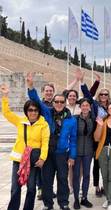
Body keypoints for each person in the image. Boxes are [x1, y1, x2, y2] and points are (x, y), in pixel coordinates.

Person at [27, 73, 77, 210]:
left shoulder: (71, 119)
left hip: (62, 154)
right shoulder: (47, 113)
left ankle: (64, 203)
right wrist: (31, 86)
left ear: (65, 102)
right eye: (57, 102)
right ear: (53, 103)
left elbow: (73, 140)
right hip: (48, 153)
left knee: (62, 179)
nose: (59, 104)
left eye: (62, 102)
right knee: (46, 181)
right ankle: (48, 204)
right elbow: (36, 100)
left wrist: (72, 156)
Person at [1, 84, 50, 210]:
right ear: (26, 111)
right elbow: (6, 113)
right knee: (15, 189)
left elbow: (45, 142)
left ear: (38, 111)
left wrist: (43, 158)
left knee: (31, 188)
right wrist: (5, 96)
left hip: (33, 161)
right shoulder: (20, 121)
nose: (33, 112)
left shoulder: (43, 125)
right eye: (30, 110)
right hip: (19, 160)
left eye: (35, 110)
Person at [72, 98, 95, 209]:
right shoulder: (75, 119)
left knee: (86, 174)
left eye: (87, 105)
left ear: (89, 107)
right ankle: (76, 198)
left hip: (88, 150)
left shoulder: (93, 119)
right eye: (83, 105)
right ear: (80, 107)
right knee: (76, 175)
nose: (85, 107)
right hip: (76, 150)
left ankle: (84, 198)